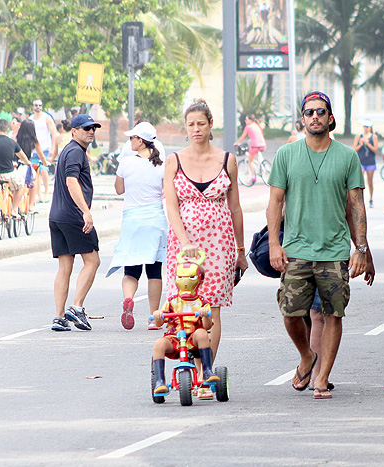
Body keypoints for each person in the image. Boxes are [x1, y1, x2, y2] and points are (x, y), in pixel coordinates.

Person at [267, 90, 375, 400]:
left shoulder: (347, 156)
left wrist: (362, 249)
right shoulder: (286, 155)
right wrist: (275, 244)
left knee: (333, 314)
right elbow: (275, 202)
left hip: (334, 251)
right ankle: (306, 356)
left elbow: (356, 205)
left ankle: (323, 377)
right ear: (302, 120)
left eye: (321, 111)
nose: (315, 116)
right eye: (309, 112)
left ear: (331, 119)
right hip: (297, 249)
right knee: (290, 311)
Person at [163, 98, 248, 369]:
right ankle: (191, 366)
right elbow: (171, 206)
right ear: (185, 128)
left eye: (201, 123)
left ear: (211, 124)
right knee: (184, 305)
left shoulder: (227, 160)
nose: (196, 129)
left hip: (219, 243)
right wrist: (185, 241)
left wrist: (241, 251)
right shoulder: (174, 161)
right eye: (191, 124)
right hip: (183, 244)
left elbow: (235, 208)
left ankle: (206, 370)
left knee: (211, 308)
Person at [106, 122, 167, 331]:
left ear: (141, 141)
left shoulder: (126, 163)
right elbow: (166, 191)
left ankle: (129, 299)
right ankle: (153, 317)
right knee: (154, 271)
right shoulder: (162, 164)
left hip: (132, 221)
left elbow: (119, 190)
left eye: (132, 137)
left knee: (131, 269)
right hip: (154, 220)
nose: (130, 140)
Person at [49, 114, 102, 332]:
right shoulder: (75, 153)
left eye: (93, 128)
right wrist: (86, 212)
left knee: (65, 267)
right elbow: (71, 181)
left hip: (57, 216)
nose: (91, 131)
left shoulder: (67, 151)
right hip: (73, 217)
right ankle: (77, 307)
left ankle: (59, 316)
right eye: (86, 128)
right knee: (93, 260)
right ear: (74, 131)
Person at [151, 254, 220, 394]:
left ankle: (207, 370)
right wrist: (158, 314)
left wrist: (204, 314)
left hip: (193, 339)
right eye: (181, 277)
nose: (185, 281)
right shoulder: (172, 301)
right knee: (159, 343)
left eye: (190, 277)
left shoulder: (202, 302)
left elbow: (207, 326)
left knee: (202, 333)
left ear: (199, 280)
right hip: (174, 338)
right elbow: (159, 322)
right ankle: (159, 381)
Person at [0, 119, 31, 223]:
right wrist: (27, 163)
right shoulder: (11, 142)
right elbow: (22, 156)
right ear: (7, 130)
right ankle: (14, 209)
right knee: (21, 186)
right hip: (8, 174)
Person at [29, 99, 60, 203]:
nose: (38, 107)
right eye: (36, 105)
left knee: (43, 170)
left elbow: (54, 133)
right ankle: (39, 195)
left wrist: (53, 148)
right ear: (32, 107)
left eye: (40, 105)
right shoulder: (30, 119)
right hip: (34, 151)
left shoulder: (46, 118)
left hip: (45, 149)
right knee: (35, 173)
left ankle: (46, 192)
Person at [16, 119, 48, 212]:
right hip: (26, 167)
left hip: (17, 167)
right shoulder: (34, 141)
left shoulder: (17, 138)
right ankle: (31, 205)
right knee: (34, 180)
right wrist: (45, 163)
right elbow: (41, 155)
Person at [352, 120, 379, 208]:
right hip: (361, 161)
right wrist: (360, 144)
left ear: (370, 128)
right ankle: (358, 199)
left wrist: (368, 144)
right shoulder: (358, 137)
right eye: (364, 127)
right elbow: (354, 149)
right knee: (359, 181)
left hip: (370, 161)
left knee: (370, 182)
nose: (366, 129)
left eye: (367, 127)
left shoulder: (373, 137)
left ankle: (371, 198)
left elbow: (375, 150)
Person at [234, 114, 267, 181]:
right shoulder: (256, 125)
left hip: (255, 145)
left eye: (246, 119)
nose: (245, 121)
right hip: (263, 144)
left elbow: (242, 137)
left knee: (250, 161)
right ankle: (262, 164)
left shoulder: (248, 127)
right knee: (257, 155)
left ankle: (253, 176)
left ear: (250, 120)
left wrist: (237, 143)